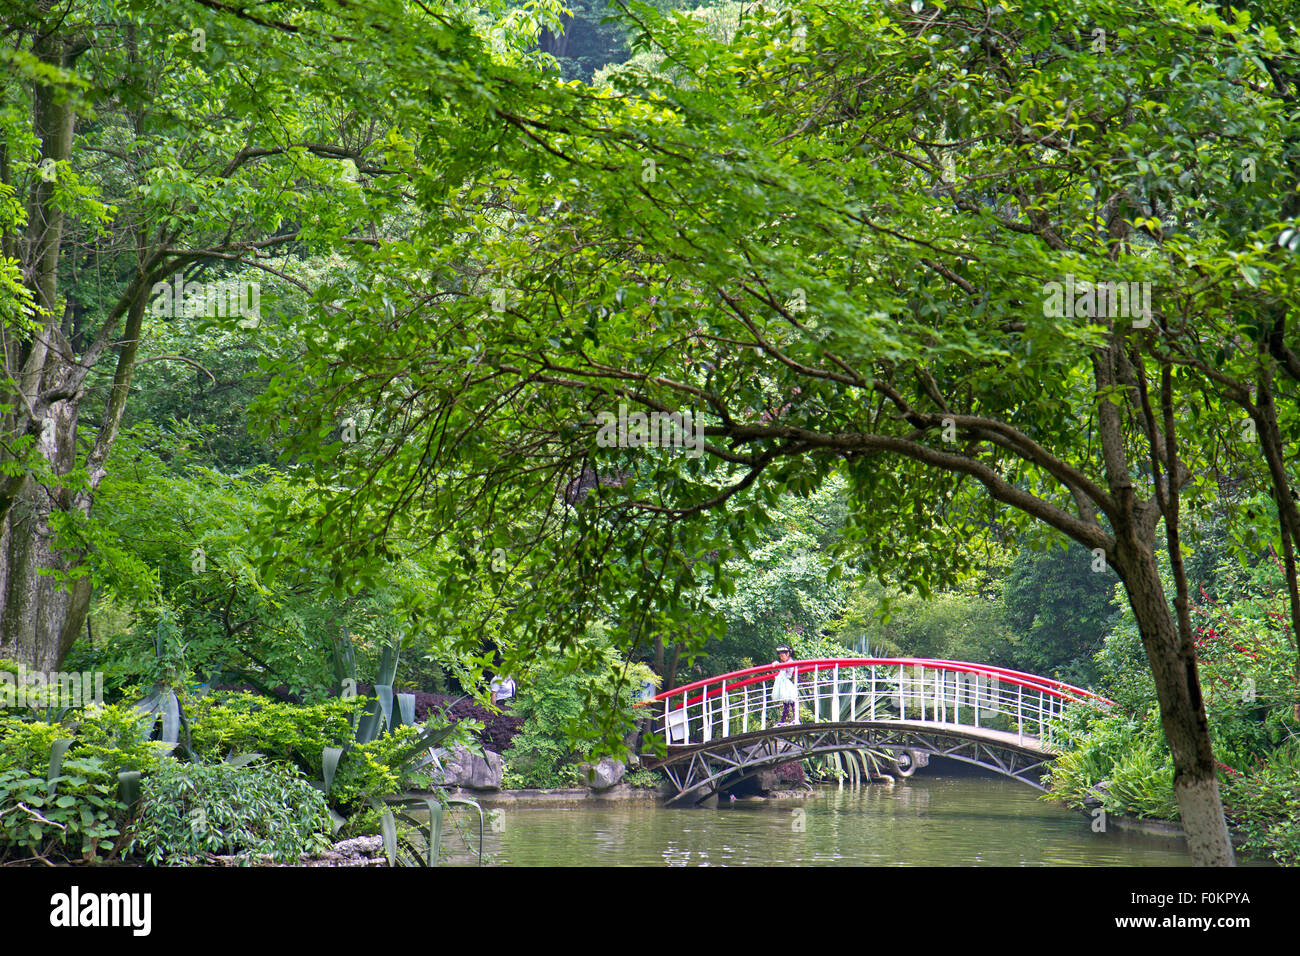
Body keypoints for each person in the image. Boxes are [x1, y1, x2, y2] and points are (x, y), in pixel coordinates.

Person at [771, 645, 798, 724]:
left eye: (782, 655)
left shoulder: (790, 662)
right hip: (783, 683)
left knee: (791, 701)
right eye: (780, 656)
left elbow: (784, 669)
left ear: (788, 654)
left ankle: (794, 719)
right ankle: (783, 720)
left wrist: (777, 664)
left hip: (786, 683)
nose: (781, 657)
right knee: (786, 703)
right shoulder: (784, 662)